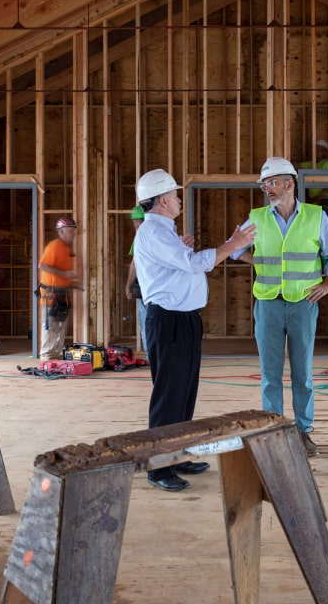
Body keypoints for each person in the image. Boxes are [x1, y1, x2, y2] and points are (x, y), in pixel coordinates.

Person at [134, 168, 256, 492]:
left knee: (184, 393)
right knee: (169, 396)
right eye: (174, 196)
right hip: (169, 320)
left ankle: (177, 454)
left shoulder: (164, 232)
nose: (177, 200)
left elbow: (181, 263)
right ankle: (158, 468)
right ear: (162, 201)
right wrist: (234, 244)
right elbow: (196, 263)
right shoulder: (156, 233)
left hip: (182, 320)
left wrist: (183, 248)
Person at [232, 157, 328, 457]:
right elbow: (234, 249)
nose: (267, 188)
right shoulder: (256, 217)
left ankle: (303, 432)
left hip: (303, 305)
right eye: (264, 184)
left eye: (272, 182)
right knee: (269, 374)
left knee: (302, 374)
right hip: (268, 303)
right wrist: (254, 260)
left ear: (289, 184)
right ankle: (272, 432)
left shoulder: (315, 216)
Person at [37, 216, 84, 360]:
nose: (73, 234)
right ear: (61, 232)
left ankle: (55, 358)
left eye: (74, 231)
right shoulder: (55, 246)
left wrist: (73, 284)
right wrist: (64, 274)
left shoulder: (66, 249)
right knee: (51, 329)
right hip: (51, 297)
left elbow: (59, 276)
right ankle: (46, 358)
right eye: (70, 231)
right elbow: (42, 265)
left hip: (61, 296)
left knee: (59, 329)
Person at [125, 205, 148, 350]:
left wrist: (128, 285)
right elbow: (134, 264)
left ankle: (151, 356)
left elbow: (134, 265)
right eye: (135, 222)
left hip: (148, 289)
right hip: (153, 289)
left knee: (147, 323)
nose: (137, 225)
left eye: (140, 221)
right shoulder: (160, 235)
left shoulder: (140, 239)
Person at [299, 139, 328, 207]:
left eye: (319, 150)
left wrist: (319, 197)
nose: (315, 152)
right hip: (314, 200)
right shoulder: (311, 164)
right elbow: (297, 166)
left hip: (325, 200)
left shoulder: (327, 164)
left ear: (325, 152)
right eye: (314, 149)